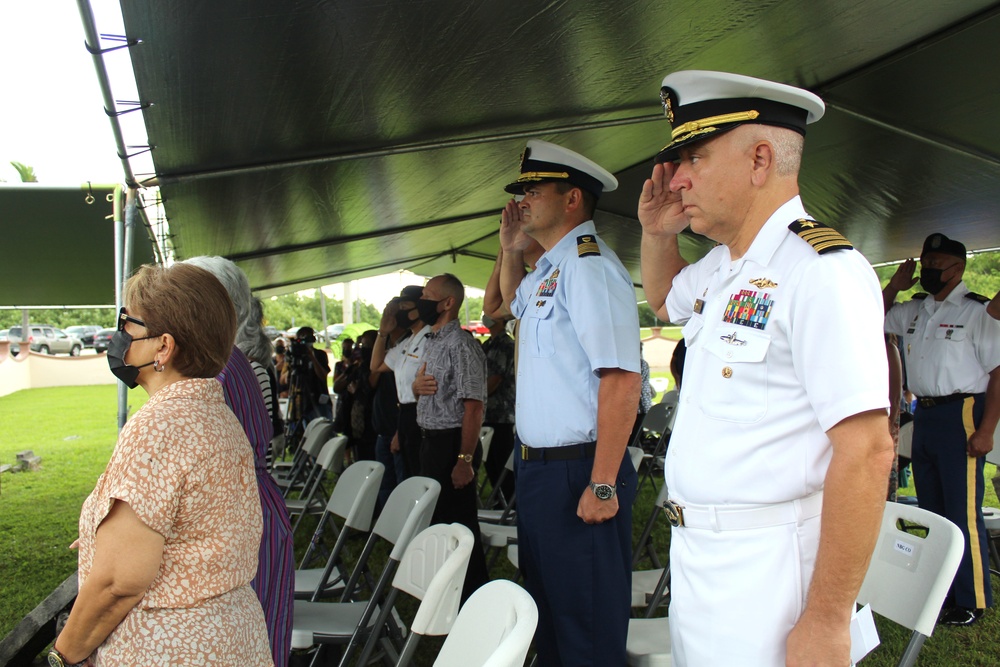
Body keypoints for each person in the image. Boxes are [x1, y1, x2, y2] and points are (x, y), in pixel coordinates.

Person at [638, 71, 893, 666]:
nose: (676, 179)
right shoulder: (725, 267)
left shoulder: (821, 271)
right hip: (701, 559)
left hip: (768, 574)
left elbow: (867, 451)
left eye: (693, 157)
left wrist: (828, 621)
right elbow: (663, 298)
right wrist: (655, 234)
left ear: (759, 160)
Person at [50, 263, 272, 667]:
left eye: (128, 325)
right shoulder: (214, 414)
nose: (120, 338)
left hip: (168, 648)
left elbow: (119, 581)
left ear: (164, 347)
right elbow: (194, 526)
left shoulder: (160, 426)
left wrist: (62, 656)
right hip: (230, 640)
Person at [498, 140, 641, 666]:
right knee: (552, 626)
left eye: (535, 189)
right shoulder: (550, 268)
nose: (524, 199)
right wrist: (510, 248)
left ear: (573, 198)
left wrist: (602, 483)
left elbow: (622, 379)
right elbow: (511, 306)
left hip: (581, 470)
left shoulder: (588, 265)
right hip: (541, 474)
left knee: (586, 632)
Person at [183, 255, 295, 667]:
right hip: (250, 507)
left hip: (241, 511)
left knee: (247, 642)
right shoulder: (232, 362)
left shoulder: (222, 369)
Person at [883, 232, 1000, 625]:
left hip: (962, 413)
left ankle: (972, 600)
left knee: (962, 511)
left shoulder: (977, 313)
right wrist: (894, 286)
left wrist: (986, 430)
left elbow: (998, 375)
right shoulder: (916, 310)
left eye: (937, 266)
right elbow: (871, 320)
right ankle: (940, 592)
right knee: (932, 511)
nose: (930, 271)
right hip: (926, 414)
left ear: (959, 268)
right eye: (926, 265)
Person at [411, 273, 491, 601]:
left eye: (428, 295)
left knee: (460, 528)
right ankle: (445, 595)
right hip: (430, 440)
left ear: (448, 302)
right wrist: (416, 389)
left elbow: (474, 408)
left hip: (453, 444)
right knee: (438, 525)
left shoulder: (462, 345)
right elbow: (430, 392)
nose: (421, 301)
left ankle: (475, 596)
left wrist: (464, 460)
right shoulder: (432, 341)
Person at [371, 285, 431, 479]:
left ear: (419, 308)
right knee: (406, 474)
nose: (401, 314)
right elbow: (376, 365)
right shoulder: (408, 342)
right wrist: (382, 333)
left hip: (422, 414)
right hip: (405, 415)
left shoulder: (431, 338)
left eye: (405, 308)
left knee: (417, 473)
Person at [370, 296, 411, 511]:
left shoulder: (410, 343)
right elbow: (374, 368)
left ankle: (403, 532)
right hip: (384, 427)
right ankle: (389, 532)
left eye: (389, 312)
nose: (385, 316)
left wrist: (399, 430)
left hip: (399, 427)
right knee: (386, 484)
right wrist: (382, 334)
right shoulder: (391, 345)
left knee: (403, 484)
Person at [481, 312, 516, 502]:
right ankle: (499, 501)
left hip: (501, 414)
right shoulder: (488, 344)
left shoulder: (505, 345)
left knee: (502, 463)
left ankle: (510, 502)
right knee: (491, 464)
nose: (486, 317)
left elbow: (494, 380)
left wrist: (476, 398)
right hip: (488, 413)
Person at [286, 326, 332, 425]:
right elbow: (287, 380)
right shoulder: (294, 356)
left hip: (318, 399)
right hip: (300, 402)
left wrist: (311, 356)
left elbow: (323, 376)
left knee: (321, 432)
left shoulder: (320, 354)